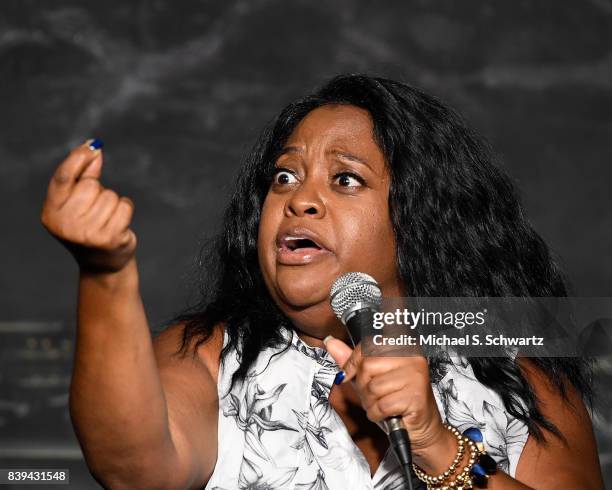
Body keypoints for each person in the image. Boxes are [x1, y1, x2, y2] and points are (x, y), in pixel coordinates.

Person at [40, 74, 604, 489]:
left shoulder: (519, 362)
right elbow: (131, 468)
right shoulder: (212, 354)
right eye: (284, 176)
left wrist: (435, 444)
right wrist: (105, 273)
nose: (299, 200)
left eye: (345, 179)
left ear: (421, 217)